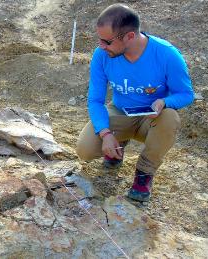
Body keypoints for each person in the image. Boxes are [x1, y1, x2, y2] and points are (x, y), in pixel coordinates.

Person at [76, 4, 194, 202]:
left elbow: (186, 94)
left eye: (107, 41)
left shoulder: (167, 54)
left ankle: (144, 174)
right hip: (120, 112)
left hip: (152, 119)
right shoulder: (102, 55)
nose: (101, 46)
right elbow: (95, 100)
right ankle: (117, 144)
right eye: (99, 40)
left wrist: (164, 102)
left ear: (129, 36)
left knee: (170, 117)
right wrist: (105, 133)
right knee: (85, 150)